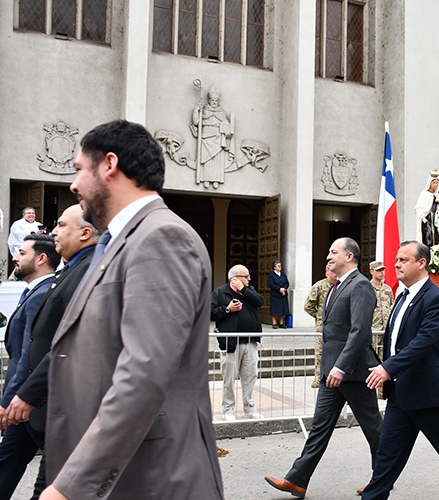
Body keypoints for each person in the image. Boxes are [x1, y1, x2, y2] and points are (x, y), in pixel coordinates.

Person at [41, 119, 223, 500]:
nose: (73, 186)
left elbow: (144, 373)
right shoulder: (122, 241)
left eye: (78, 170)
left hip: (153, 478)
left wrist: (71, 486)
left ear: (109, 165)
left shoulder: (162, 237)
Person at [361, 241, 439, 500]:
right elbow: (395, 341)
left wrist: (387, 368)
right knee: (386, 458)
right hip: (400, 394)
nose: (396, 264)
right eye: (396, 259)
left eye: (403, 260)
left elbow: (423, 342)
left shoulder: (437, 299)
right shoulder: (402, 296)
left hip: (429, 396)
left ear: (421, 263)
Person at [266, 238, 382, 499]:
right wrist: (331, 367)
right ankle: (297, 480)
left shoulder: (361, 285)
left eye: (333, 252)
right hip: (332, 372)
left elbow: (359, 331)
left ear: (350, 256)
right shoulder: (335, 286)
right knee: (319, 427)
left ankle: (382, 477)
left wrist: (341, 366)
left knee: (374, 429)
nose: (328, 257)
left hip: (351, 373)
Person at [4, 205, 98, 500]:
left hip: (56, 404)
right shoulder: (70, 271)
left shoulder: (88, 271)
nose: (53, 231)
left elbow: (65, 343)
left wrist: (24, 395)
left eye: (60, 225)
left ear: (84, 233)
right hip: (35, 402)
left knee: (50, 488)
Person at [0, 234, 57, 499]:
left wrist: (11, 399)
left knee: (57, 471)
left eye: (22, 253)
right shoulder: (33, 292)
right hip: (24, 404)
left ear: (41, 258)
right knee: (6, 461)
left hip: (33, 403)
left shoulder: (42, 294)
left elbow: (28, 355)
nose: (15, 256)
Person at [211, 264, 265, 421]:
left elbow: (259, 301)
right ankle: (228, 410)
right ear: (234, 278)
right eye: (246, 276)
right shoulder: (220, 293)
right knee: (229, 378)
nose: (249, 279)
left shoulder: (249, 291)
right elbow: (211, 312)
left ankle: (250, 409)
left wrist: (244, 289)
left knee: (250, 376)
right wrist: (227, 309)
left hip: (250, 341)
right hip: (230, 343)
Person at [191, 84, 233, 188]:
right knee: (206, 160)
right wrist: (197, 109)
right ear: (209, 100)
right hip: (206, 137)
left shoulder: (221, 112)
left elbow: (226, 123)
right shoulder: (204, 110)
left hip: (217, 138)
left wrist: (226, 126)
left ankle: (216, 179)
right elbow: (196, 121)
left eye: (216, 100)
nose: (214, 102)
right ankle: (205, 178)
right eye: (212, 100)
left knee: (216, 160)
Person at [304, 266, 336, 388]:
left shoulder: (340, 286)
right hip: (322, 328)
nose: (334, 273)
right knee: (320, 353)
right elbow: (308, 306)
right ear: (326, 272)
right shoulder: (319, 286)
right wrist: (319, 317)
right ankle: (319, 379)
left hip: (337, 327)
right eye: (331, 271)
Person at [413, 168, 439, 246]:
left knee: (436, 238)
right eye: (434, 183)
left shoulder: (435, 196)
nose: (435, 185)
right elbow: (418, 208)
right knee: (428, 239)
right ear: (430, 183)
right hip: (426, 221)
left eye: (437, 183)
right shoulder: (424, 194)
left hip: (434, 221)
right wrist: (422, 217)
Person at [370, 261, 394, 332]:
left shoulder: (388, 289)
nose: (382, 272)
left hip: (386, 329)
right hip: (373, 329)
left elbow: (391, 306)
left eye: (382, 270)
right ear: (372, 272)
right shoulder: (367, 289)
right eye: (378, 270)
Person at [269, 260, 290, 329]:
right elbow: (271, 284)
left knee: (283, 309)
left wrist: (284, 289)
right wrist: (279, 289)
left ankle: (281, 323)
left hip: (283, 294)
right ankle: (274, 323)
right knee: (275, 309)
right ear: (274, 267)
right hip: (275, 294)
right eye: (278, 266)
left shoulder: (283, 275)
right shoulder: (271, 275)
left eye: (280, 265)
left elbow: (287, 283)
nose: (280, 267)